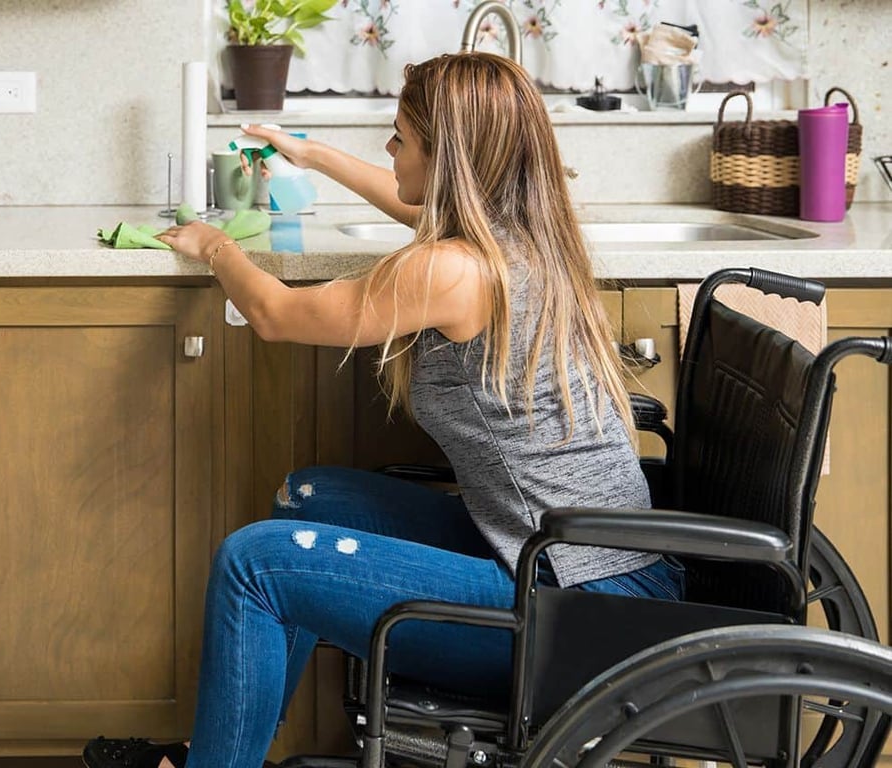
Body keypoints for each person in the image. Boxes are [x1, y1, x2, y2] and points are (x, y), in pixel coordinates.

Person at [82, 51, 684, 768]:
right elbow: (411, 203)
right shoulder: (525, 231)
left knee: (254, 564)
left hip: (573, 609)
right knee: (311, 497)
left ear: (446, 157)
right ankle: (225, 753)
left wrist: (213, 245)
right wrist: (311, 154)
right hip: (593, 567)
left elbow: (275, 313)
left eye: (399, 138)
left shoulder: (456, 269)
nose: (388, 150)